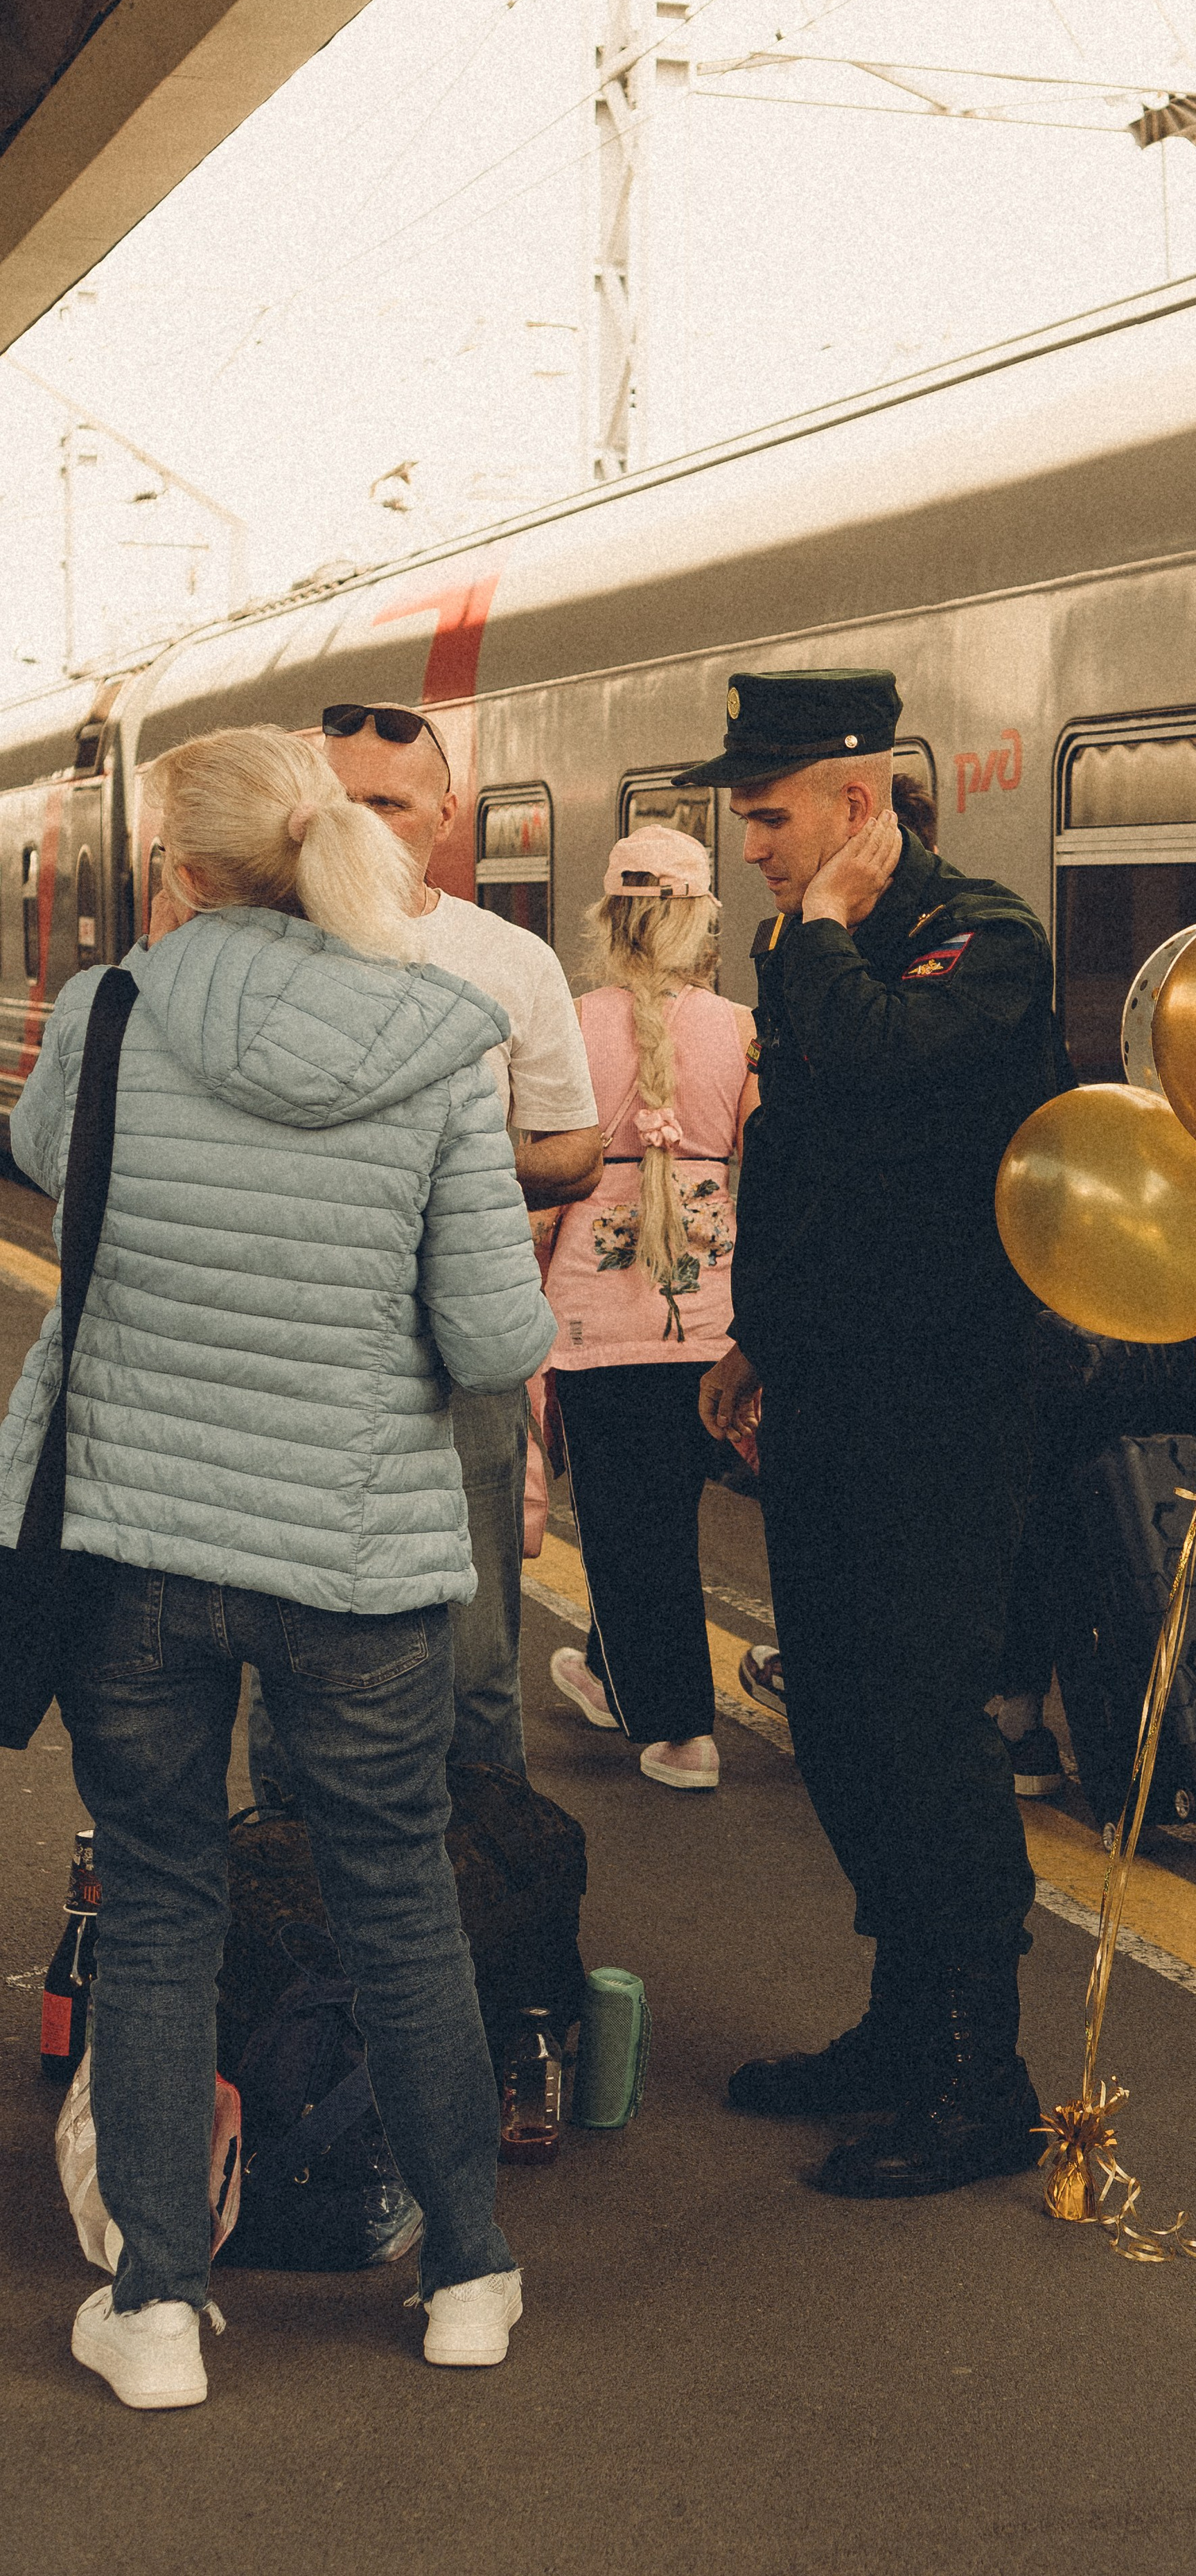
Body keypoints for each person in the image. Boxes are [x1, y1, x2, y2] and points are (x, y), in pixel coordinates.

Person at [0, 727, 557, 2407]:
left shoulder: (106, 1021)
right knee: (396, 1902)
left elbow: (46, 1172)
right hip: (352, 1553)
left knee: (163, 1907)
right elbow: (487, 1335)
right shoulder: (442, 1044)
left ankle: (158, 2309)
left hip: (137, 1539)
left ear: (170, 867)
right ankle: (468, 2276)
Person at [696, 668, 1067, 2200]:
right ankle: (903, 2027)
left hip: (946, 1400)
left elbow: (867, 1067)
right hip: (835, 1386)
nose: (754, 853)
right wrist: (753, 1336)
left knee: (920, 1725)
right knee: (840, 1716)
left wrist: (818, 933)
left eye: (772, 820)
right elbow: (799, 1157)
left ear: (856, 804)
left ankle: (988, 2078)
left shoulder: (983, 940)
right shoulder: (825, 948)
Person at [247, 700, 600, 1800]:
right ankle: (293, 1901)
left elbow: (579, 1151)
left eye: (386, 804)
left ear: (444, 817)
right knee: (288, 1654)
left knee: (476, 1653)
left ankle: (486, 1893)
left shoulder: (508, 960)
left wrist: (441, 1164)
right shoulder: (251, 952)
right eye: (335, 805)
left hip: (460, 1352)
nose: (356, 825)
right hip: (293, 1355)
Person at [540, 826, 757, 1791]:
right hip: (705, 1318)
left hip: (593, 1325)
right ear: (701, 923)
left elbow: (545, 1191)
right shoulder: (742, 1029)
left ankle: (679, 1733)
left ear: (611, 918)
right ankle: (601, 1667)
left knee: (626, 1527)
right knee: (660, 1513)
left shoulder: (568, 1025)